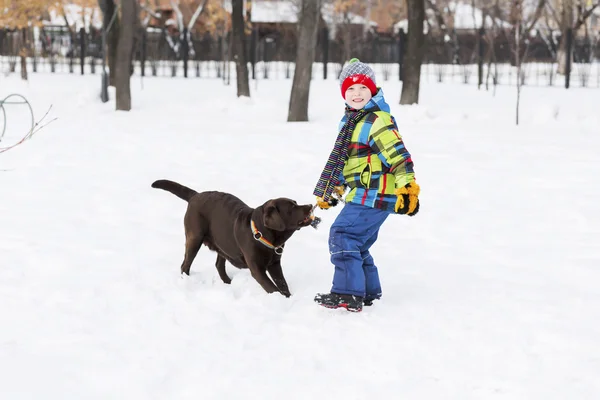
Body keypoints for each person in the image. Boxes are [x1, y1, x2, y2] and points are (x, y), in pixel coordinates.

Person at [313, 58, 420, 313]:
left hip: (375, 193)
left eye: (362, 87)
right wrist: (334, 189)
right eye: (350, 88)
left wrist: (408, 188)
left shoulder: (376, 120)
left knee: (342, 234)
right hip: (364, 193)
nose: (357, 93)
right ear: (343, 94)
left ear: (372, 89)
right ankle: (368, 291)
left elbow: (399, 156)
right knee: (357, 242)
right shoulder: (351, 122)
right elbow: (347, 162)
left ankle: (347, 293)